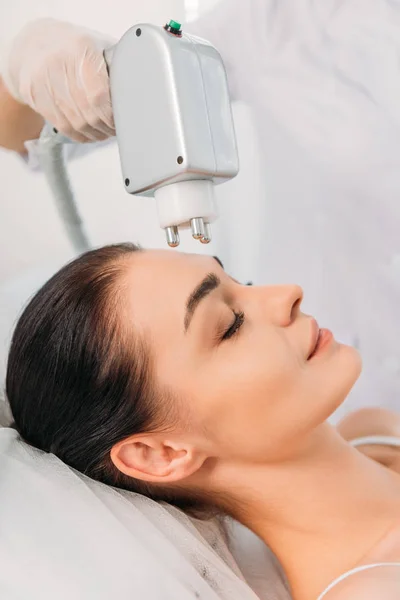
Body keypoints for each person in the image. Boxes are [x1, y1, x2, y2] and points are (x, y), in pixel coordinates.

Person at [1, 4, 400, 419]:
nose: (288, 295)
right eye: (228, 323)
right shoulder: (278, 24)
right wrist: (32, 63)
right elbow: (19, 129)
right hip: (325, 387)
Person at [6, 243, 400, 600]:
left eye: (241, 283)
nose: (287, 293)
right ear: (159, 453)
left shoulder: (374, 430)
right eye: (231, 324)